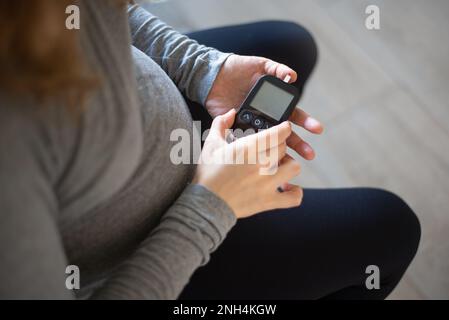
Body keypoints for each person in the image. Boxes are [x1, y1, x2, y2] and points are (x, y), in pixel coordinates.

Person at [0, 0, 420, 299]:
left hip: (166, 153)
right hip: (151, 256)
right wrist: (213, 204)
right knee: (389, 229)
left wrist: (202, 68)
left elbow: (99, 14)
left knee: (290, 45)